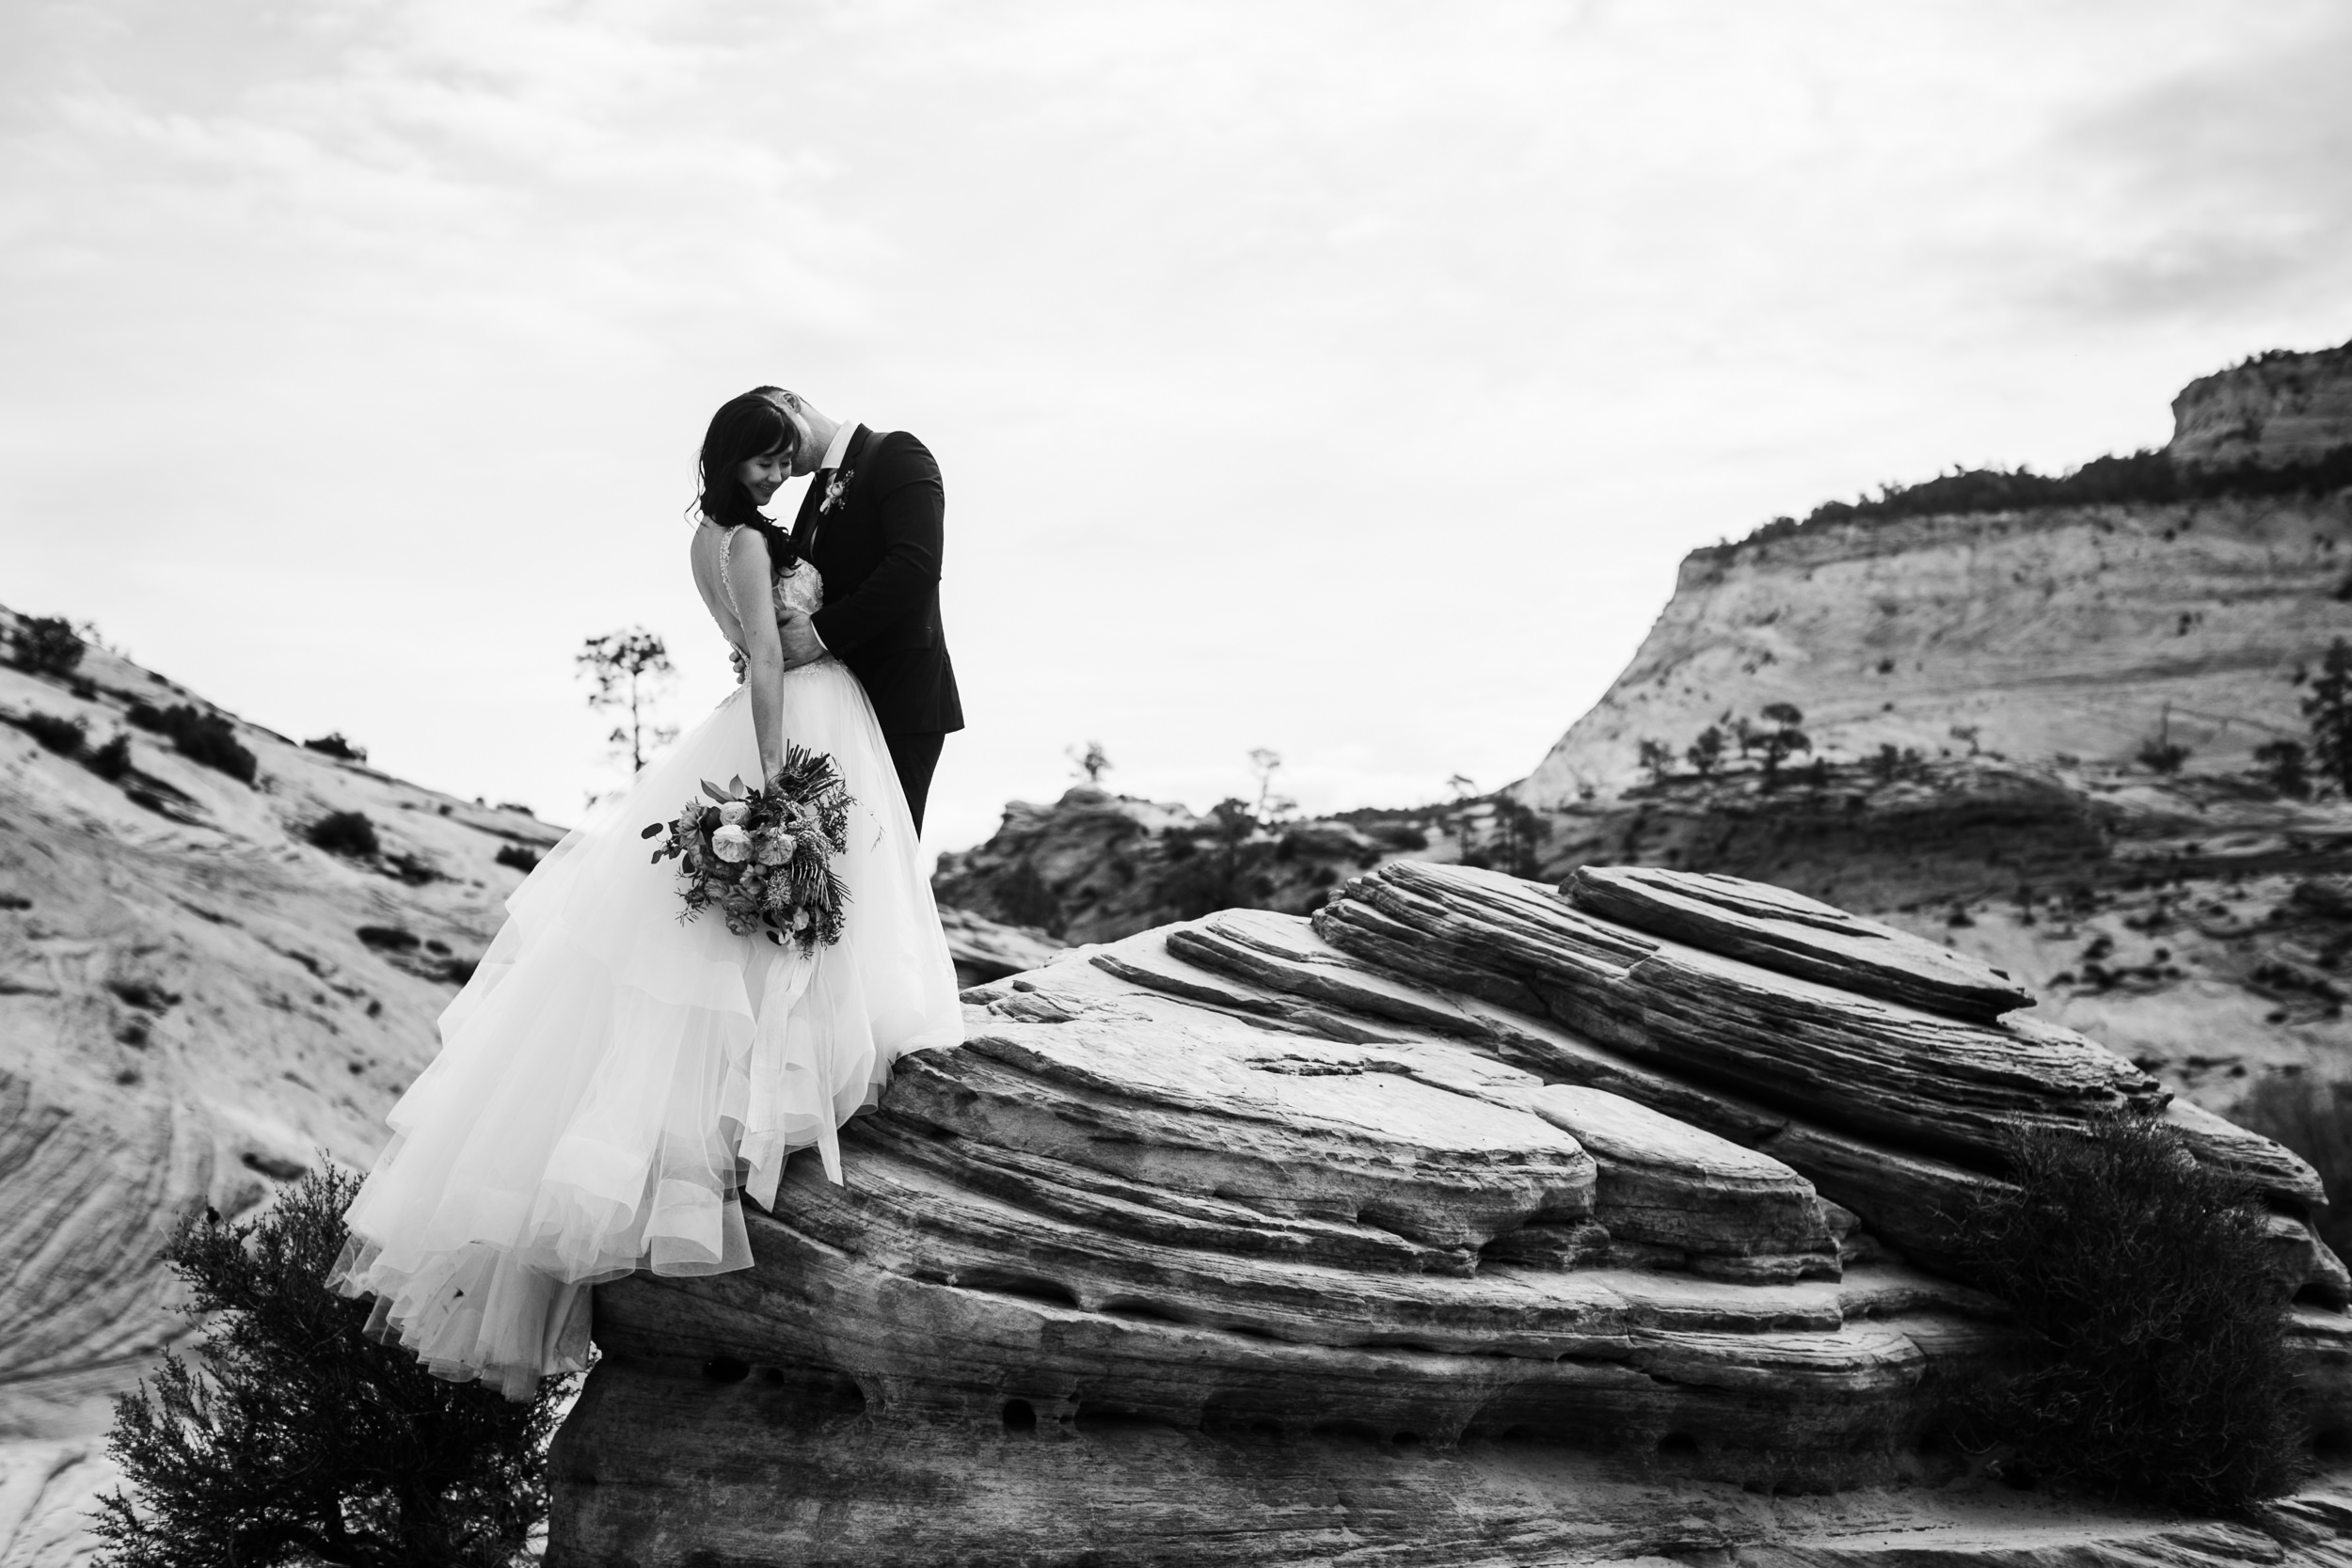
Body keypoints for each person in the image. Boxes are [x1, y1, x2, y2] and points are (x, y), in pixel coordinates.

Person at [331, 390, 965, 1399]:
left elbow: (901, 578)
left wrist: (802, 641)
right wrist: (771, 778)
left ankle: (790, 1076)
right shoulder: (763, 535)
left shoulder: (798, 503)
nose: (775, 474)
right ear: (741, 455)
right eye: (760, 462)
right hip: (798, 715)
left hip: (858, 703)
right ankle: (774, 1097)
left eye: (778, 460)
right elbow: (769, 646)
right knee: (784, 908)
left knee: (787, 912)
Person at [756, 387, 962, 832]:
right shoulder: (812, 497)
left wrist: (817, 635)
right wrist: (765, 644)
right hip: (837, 708)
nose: (775, 455)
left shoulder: (897, 453)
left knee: (885, 860)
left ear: (792, 403)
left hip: (899, 699)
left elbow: (916, 566)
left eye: (775, 432)